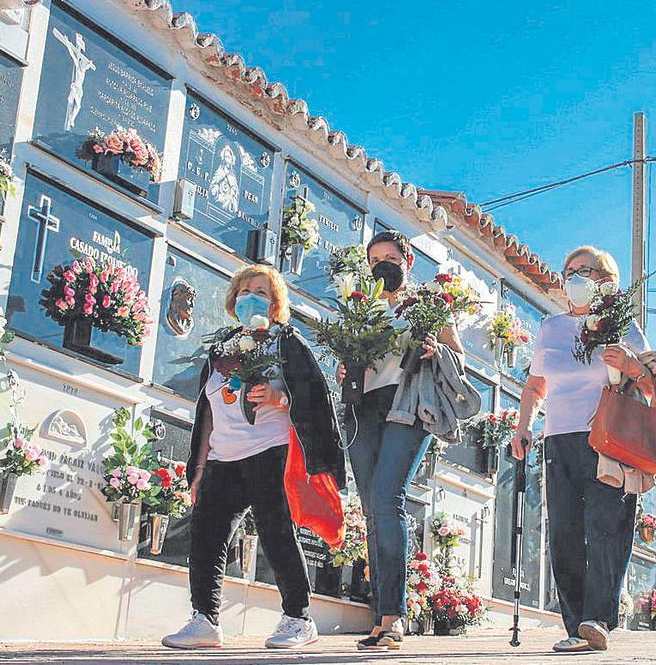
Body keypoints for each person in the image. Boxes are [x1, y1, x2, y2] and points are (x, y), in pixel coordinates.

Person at [163, 265, 345, 650]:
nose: (250, 296)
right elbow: (208, 408)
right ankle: (205, 620)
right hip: (222, 457)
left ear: (276, 301)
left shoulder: (287, 342)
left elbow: (315, 397)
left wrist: (281, 399)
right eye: (244, 289)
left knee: (277, 533)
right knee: (207, 535)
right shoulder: (222, 346)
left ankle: (298, 617)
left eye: (260, 290)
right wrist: (199, 465)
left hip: (269, 450)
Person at [511, 245, 654, 653]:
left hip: (608, 439)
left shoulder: (624, 327)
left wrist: (631, 366)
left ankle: (599, 620)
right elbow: (536, 385)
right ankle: (576, 625)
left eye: (583, 270)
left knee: (607, 527)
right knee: (565, 532)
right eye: (568, 270)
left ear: (604, 279)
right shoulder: (551, 327)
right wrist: (522, 426)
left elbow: (650, 385)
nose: (573, 277)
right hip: (559, 438)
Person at [338, 230, 465, 652]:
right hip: (365, 408)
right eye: (375, 260)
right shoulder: (362, 306)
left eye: (390, 257)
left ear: (407, 261)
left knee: (389, 498)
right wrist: (344, 371)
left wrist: (434, 350)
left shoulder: (428, 304)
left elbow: (458, 358)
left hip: (408, 405)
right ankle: (381, 617)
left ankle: (394, 617)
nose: (383, 265)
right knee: (372, 507)